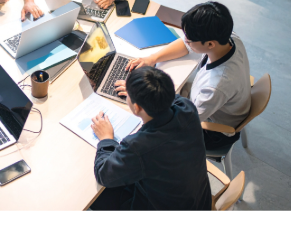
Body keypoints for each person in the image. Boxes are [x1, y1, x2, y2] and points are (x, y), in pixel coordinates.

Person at [114, 1, 251, 151]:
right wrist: (152, 58)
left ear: (210, 44)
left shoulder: (216, 86)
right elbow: (186, 46)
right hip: (210, 103)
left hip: (212, 131)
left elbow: (187, 119)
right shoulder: (228, 37)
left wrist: (140, 95)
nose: (186, 41)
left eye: (190, 40)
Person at [90, 66, 212, 210]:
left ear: (137, 108)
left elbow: (103, 174)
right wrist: (140, 91)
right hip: (198, 199)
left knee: (96, 197)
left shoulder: (138, 147)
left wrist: (106, 138)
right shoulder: (187, 108)